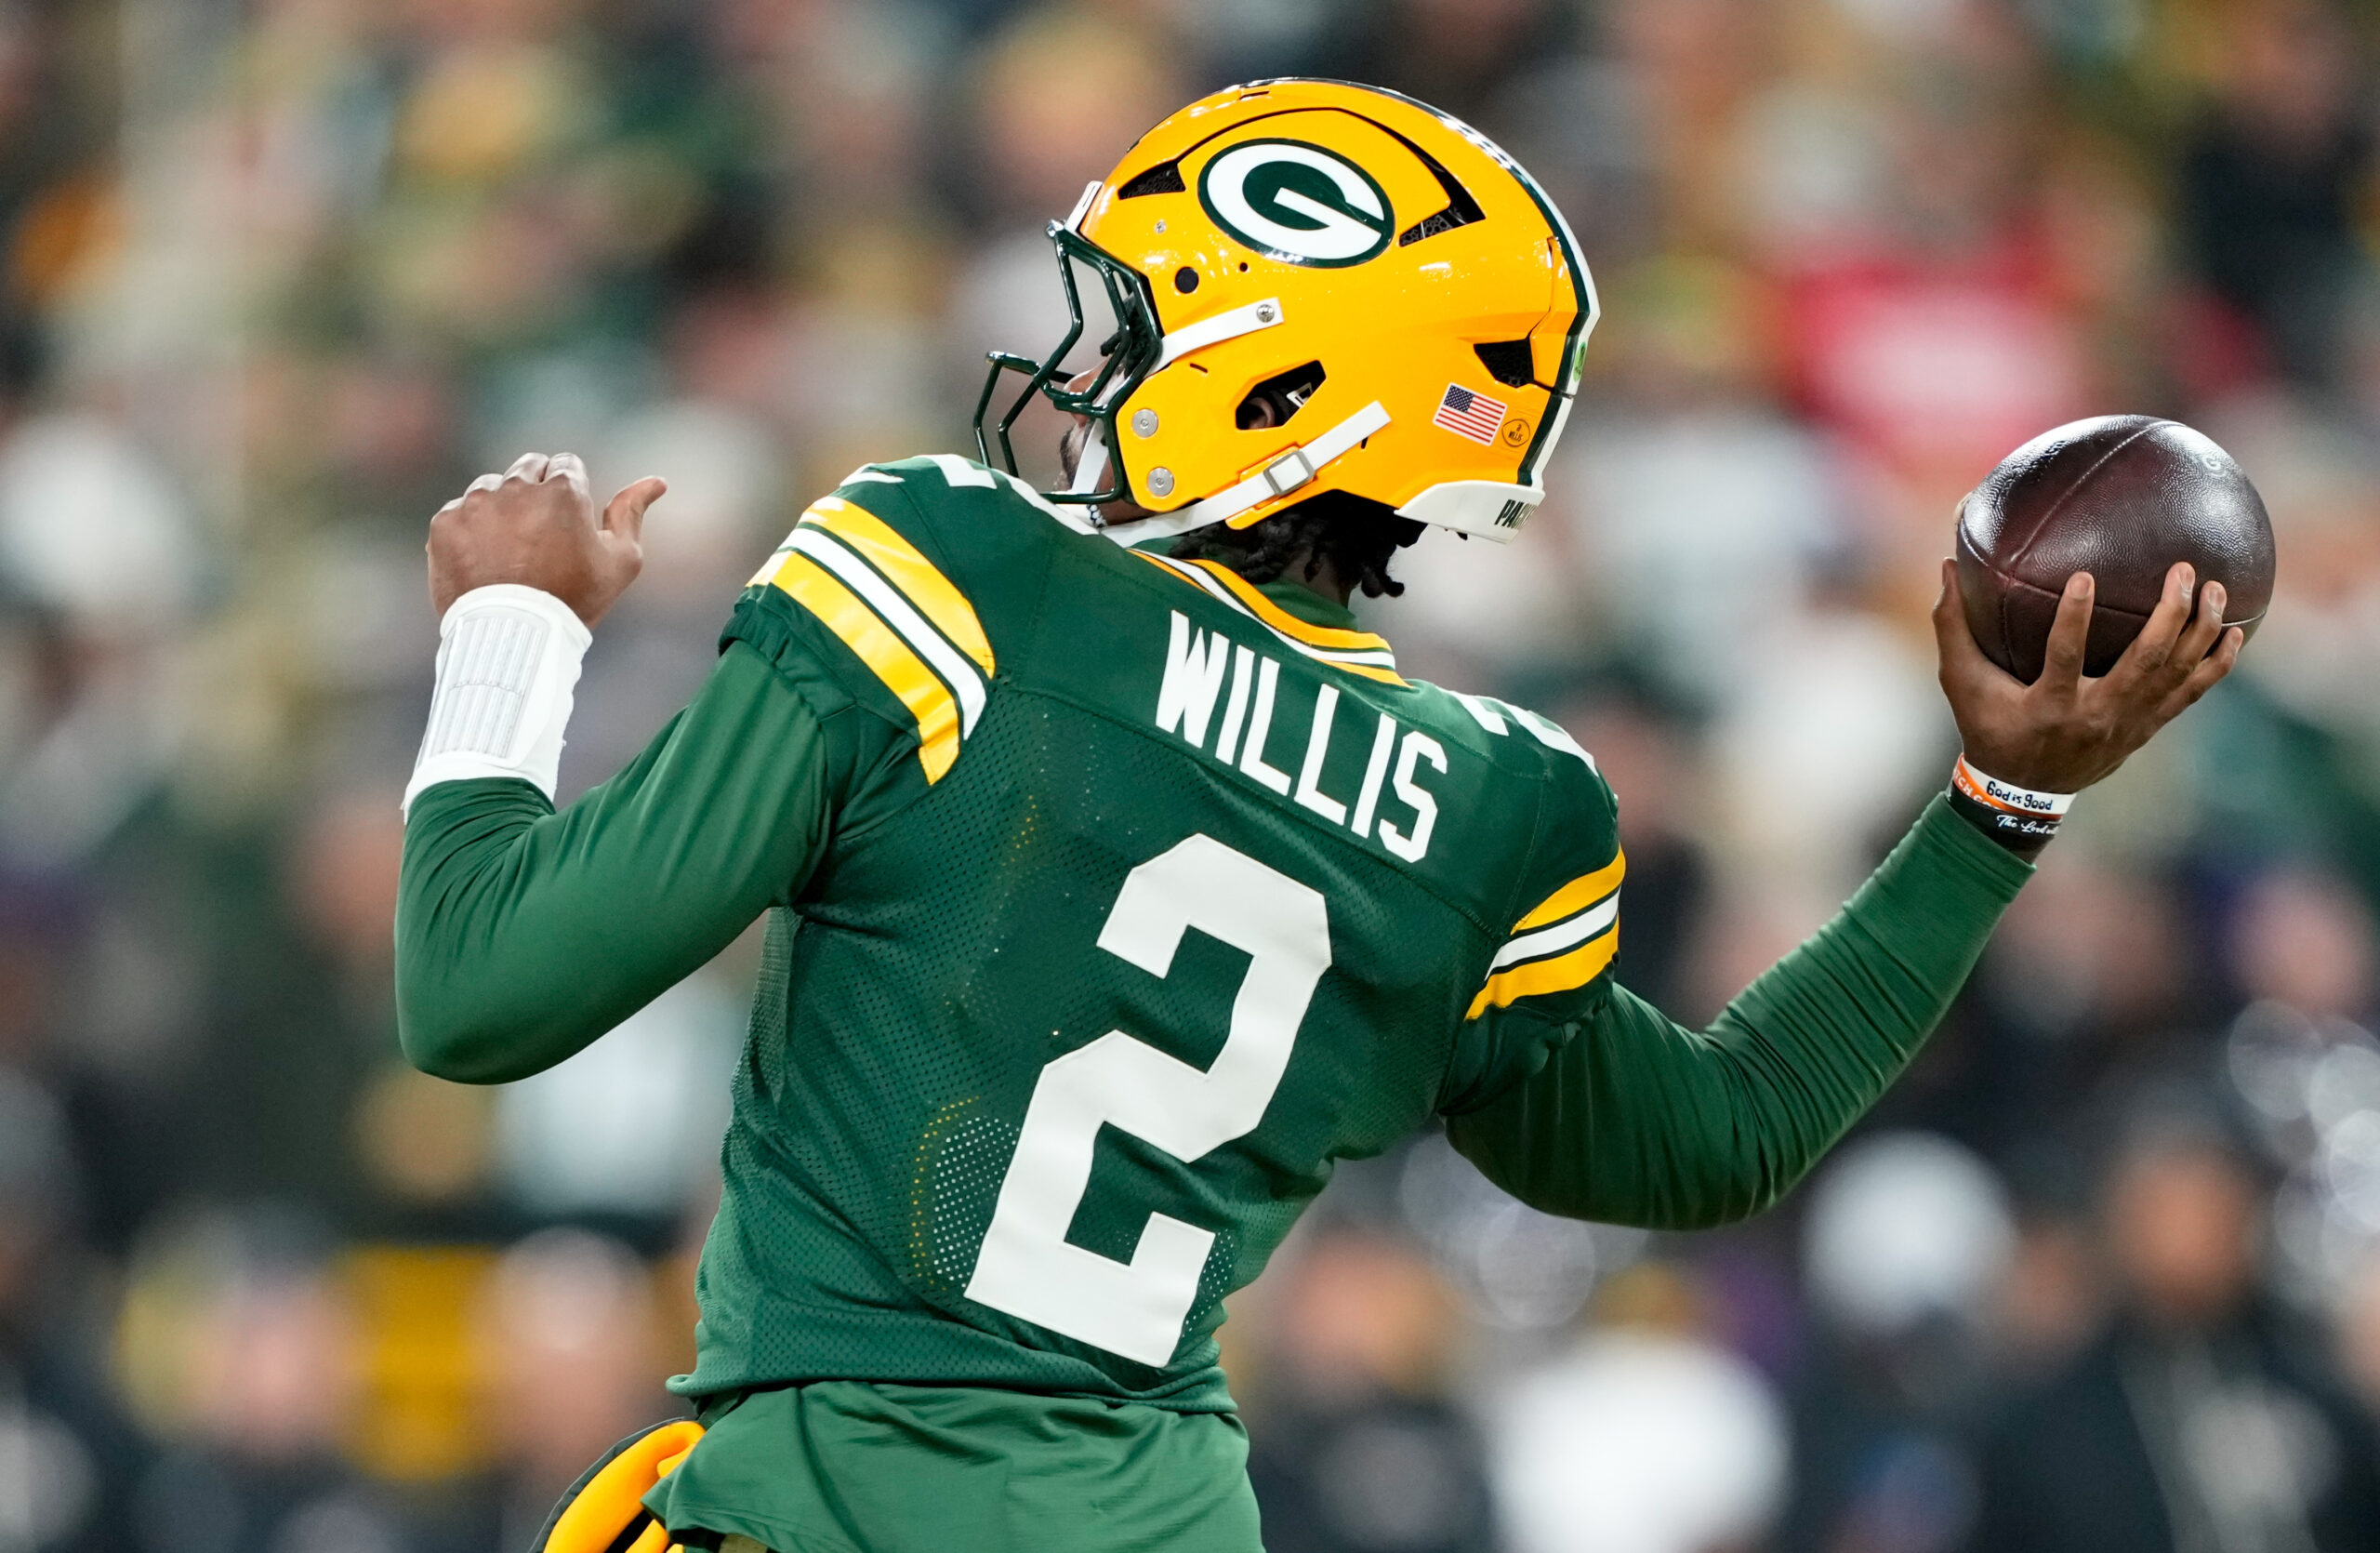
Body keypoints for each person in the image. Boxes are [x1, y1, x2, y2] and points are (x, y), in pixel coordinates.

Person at [391, 80, 2241, 1553]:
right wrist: (2000, 802)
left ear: (1273, 381)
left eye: (1140, 331)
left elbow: (480, 991)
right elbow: (1718, 1135)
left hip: (847, 1499)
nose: (1090, 377)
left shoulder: (954, 573)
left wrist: (510, 629)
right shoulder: (1492, 800)